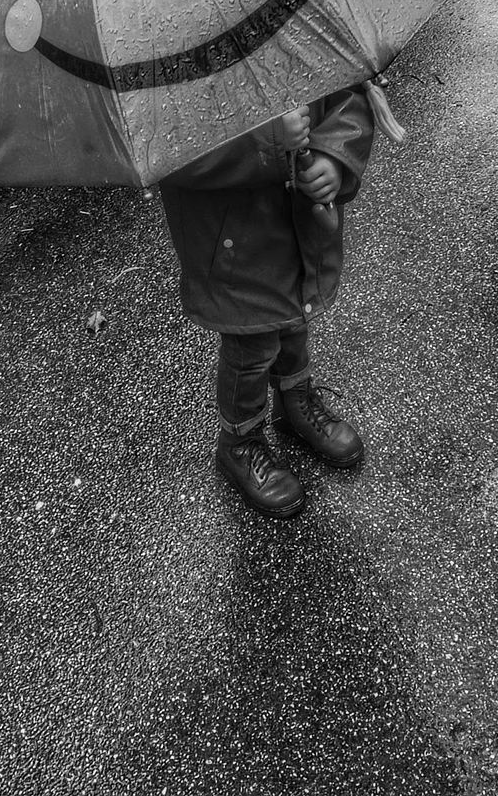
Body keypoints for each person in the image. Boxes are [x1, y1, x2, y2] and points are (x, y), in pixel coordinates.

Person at [159, 87, 374, 519]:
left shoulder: (295, 29)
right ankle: (240, 441)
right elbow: (171, 148)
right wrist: (268, 141)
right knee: (252, 348)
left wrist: (334, 155)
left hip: (295, 224)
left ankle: (295, 403)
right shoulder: (174, 67)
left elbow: (348, 94)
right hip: (235, 242)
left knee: (295, 320)